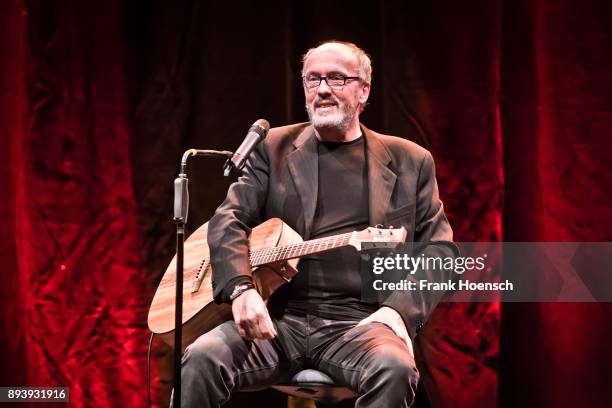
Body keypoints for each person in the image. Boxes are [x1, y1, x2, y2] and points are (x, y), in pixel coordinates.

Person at [178, 41, 456, 407]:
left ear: (364, 91)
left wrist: (396, 313)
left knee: (395, 369)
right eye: (313, 80)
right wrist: (240, 289)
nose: (322, 89)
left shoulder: (410, 161)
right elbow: (228, 219)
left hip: (360, 325)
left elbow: (441, 252)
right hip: (279, 322)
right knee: (201, 358)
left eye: (337, 79)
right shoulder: (272, 148)